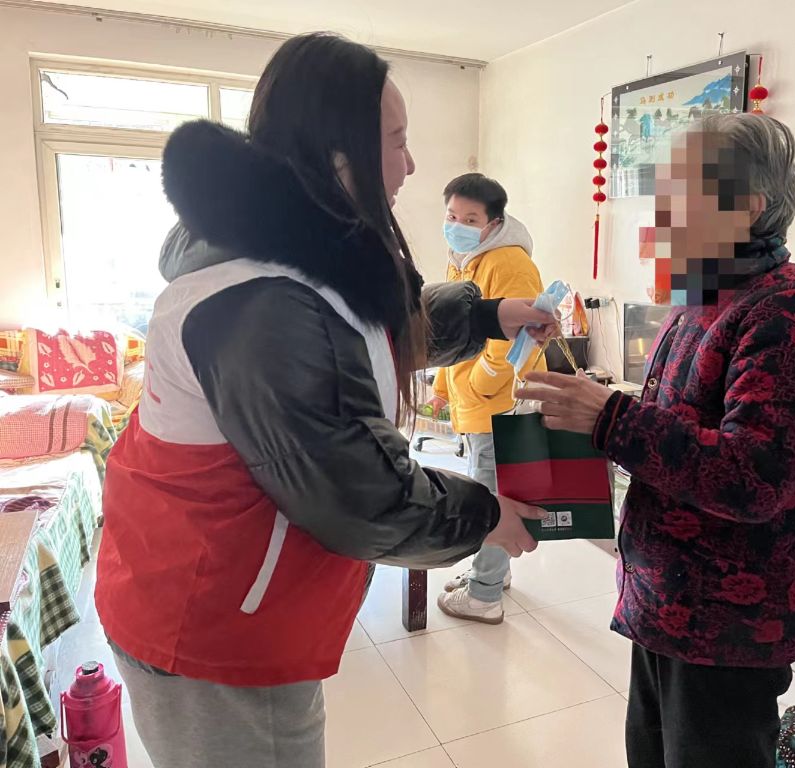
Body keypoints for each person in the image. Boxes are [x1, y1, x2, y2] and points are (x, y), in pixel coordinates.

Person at [95, 33, 556, 768]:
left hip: (239, 599)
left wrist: (489, 316)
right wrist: (485, 517)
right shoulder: (261, 299)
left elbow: (366, 330)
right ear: (339, 153)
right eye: (396, 141)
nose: (410, 164)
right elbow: (358, 497)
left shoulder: (297, 247)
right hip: (209, 623)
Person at [519, 114, 795, 768]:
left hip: (728, 625)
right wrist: (586, 405)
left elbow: (751, 478)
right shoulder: (706, 296)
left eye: (681, 190)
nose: (660, 209)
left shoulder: (790, 312)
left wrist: (611, 419)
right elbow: (673, 428)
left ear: (746, 207)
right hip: (665, 600)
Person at [429, 173, 545, 624]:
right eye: (452, 216)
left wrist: (480, 382)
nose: (457, 226)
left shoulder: (507, 262)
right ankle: (495, 572)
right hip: (476, 398)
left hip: (499, 403)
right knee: (488, 486)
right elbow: (456, 330)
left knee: (492, 494)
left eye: (470, 219)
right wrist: (444, 387)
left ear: (494, 222)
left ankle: (484, 593)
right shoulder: (465, 258)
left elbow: (517, 336)